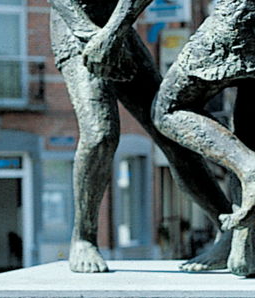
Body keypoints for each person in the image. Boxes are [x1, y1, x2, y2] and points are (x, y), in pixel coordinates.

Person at [49, 0, 234, 272]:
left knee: (171, 129)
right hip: (75, 28)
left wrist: (113, 33)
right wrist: (89, 34)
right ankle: (84, 238)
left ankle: (230, 229)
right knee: (101, 134)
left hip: (118, 29)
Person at [150, 0, 255, 277]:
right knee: (251, 127)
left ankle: (253, 169)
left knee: (166, 109)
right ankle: (244, 251)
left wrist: (113, 29)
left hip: (244, 16)